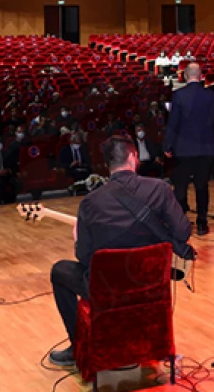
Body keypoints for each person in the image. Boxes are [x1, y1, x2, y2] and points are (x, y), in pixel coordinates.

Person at [47, 136, 193, 367]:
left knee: (59, 271)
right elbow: (183, 233)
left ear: (107, 165)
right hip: (151, 285)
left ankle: (78, 347)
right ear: (133, 157)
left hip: (108, 290)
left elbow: (84, 258)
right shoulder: (160, 189)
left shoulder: (91, 202)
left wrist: (77, 239)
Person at [163, 63, 214, 236]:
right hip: (205, 147)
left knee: (181, 185)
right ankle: (202, 222)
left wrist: (167, 145)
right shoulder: (211, 96)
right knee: (202, 185)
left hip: (184, 147)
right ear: (201, 76)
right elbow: (213, 121)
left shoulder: (179, 95)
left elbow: (173, 124)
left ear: (185, 76)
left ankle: (181, 224)